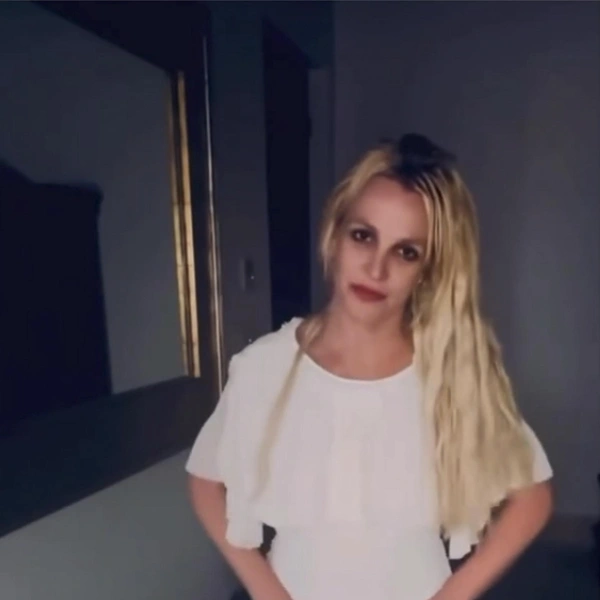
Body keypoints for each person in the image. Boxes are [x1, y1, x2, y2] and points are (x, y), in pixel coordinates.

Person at [186, 134, 554, 600]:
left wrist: (454, 595)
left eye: (406, 252)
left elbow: (532, 497)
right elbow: (205, 480)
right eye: (363, 236)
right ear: (334, 235)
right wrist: (264, 588)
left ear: (428, 270)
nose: (376, 269)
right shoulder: (266, 366)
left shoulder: (450, 372)